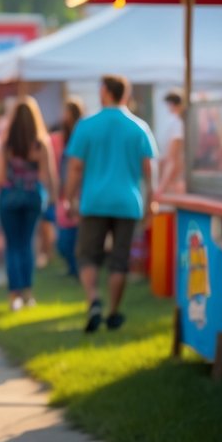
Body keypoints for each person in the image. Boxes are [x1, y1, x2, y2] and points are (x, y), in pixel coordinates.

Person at [64, 75, 158, 333]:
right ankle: (114, 312)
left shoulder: (87, 125)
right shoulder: (139, 127)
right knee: (120, 259)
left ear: (105, 91)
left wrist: (69, 197)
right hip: (128, 203)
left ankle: (94, 300)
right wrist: (151, 201)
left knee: (87, 255)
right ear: (125, 94)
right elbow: (150, 170)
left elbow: (75, 167)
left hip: (94, 200)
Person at [0, 96, 57, 310]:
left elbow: (0, 176)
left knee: (13, 245)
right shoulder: (41, 144)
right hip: (32, 197)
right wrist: (52, 198)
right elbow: (47, 176)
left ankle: (14, 295)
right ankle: (28, 292)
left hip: (10, 198)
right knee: (27, 244)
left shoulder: (6, 145)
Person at [50, 98, 84, 277]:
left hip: (79, 189)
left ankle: (76, 267)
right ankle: (73, 265)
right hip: (64, 189)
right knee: (65, 236)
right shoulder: (58, 138)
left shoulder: (83, 135)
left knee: (74, 232)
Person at [156, 90, 186, 198]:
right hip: (171, 179)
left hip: (173, 180)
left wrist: (161, 186)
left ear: (172, 104)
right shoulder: (176, 121)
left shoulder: (176, 123)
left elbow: (172, 158)